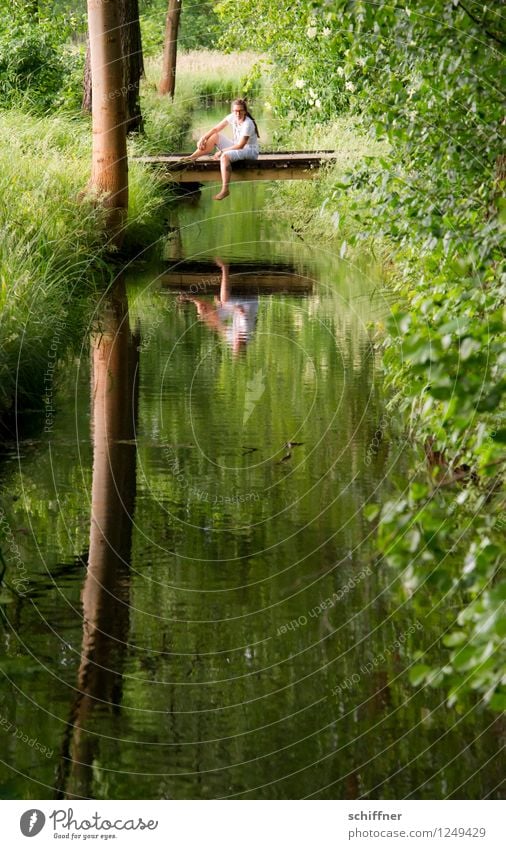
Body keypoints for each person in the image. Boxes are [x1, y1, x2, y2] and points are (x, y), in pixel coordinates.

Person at [188, 98, 260, 201]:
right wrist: (203, 138)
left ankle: (225, 190)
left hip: (250, 150)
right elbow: (216, 129)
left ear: (245, 111)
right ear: (232, 111)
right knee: (215, 136)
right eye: (235, 111)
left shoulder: (248, 124)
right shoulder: (233, 117)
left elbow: (240, 145)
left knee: (224, 156)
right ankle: (192, 157)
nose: (238, 113)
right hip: (237, 146)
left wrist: (222, 151)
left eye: (240, 111)